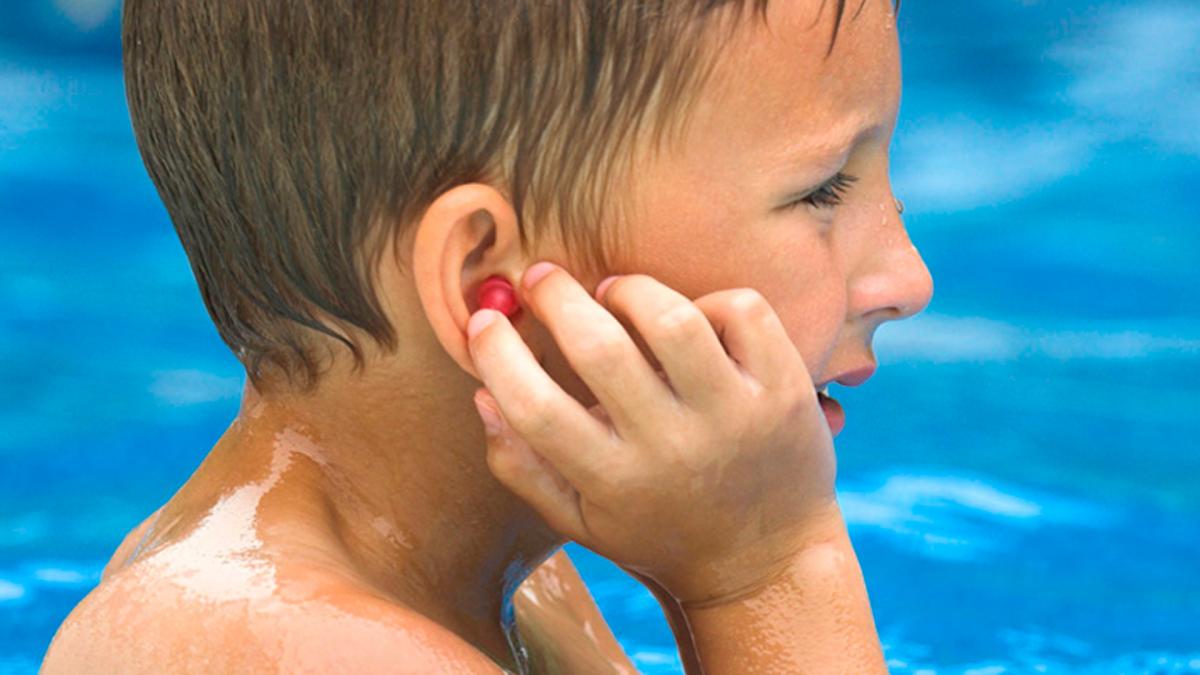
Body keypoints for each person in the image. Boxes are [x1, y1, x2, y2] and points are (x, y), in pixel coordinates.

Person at [42, 0, 932, 671]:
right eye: (819, 191)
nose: (907, 279)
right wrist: (763, 577)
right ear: (486, 285)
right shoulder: (284, 646)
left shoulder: (504, 575)